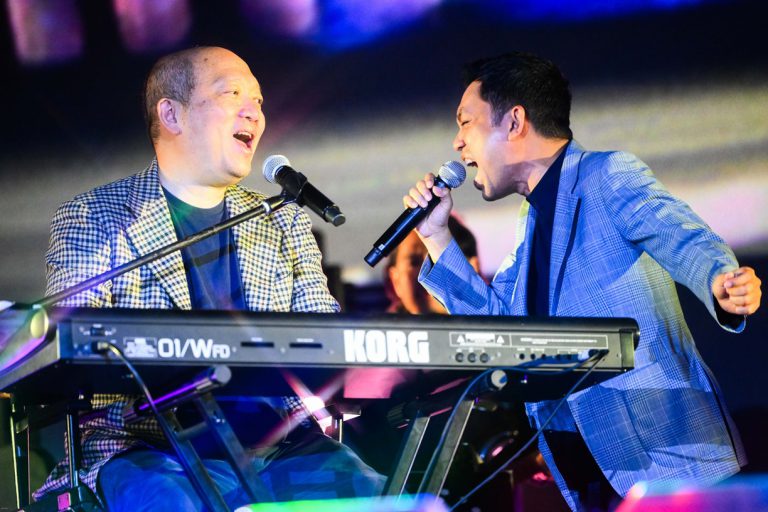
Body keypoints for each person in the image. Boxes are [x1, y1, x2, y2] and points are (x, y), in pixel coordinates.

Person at [403, 52, 762, 511]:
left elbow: (682, 236)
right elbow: (497, 329)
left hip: (668, 462)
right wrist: (435, 236)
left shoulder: (606, 175)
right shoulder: (531, 221)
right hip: (588, 473)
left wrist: (721, 280)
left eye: (466, 122)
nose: (458, 143)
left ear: (514, 122)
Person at [39, 46, 383, 510]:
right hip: (149, 449)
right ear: (171, 114)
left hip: (280, 448)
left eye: (258, 101)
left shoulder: (283, 219)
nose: (254, 112)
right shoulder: (94, 217)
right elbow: (72, 349)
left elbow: (324, 341)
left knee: (372, 497)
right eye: (232, 94)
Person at [385, 215, 479, 314]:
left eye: (438, 259)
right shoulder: (378, 323)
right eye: (414, 262)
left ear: (472, 269)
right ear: (395, 281)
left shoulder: (489, 317)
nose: (427, 272)